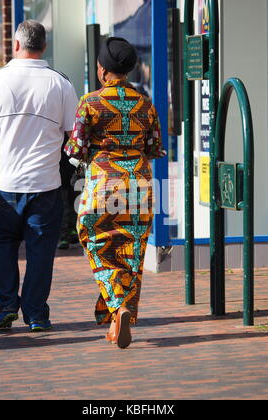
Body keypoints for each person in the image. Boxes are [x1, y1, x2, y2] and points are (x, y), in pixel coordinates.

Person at [65, 37, 165, 348]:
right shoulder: (145, 103)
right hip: (140, 184)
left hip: (103, 185)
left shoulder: (90, 102)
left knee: (93, 240)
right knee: (130, 254)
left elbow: (77, 148)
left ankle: (117, 305)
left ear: (103, 70)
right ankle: (118, 318)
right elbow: (154, 147)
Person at [0, 20, 78, 332]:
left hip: (5, 185)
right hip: (45, 185)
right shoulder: (60, 83)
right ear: (44, 47)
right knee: (40, 252)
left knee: (4, 247)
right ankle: (35, 313)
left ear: (17, 45)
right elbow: (73, 133)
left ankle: (7, 305)